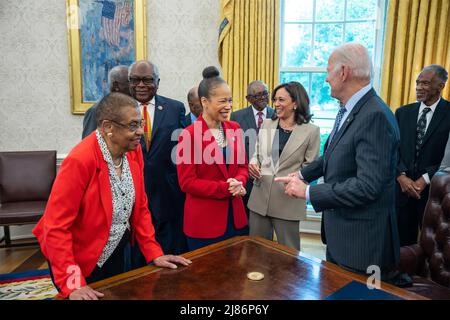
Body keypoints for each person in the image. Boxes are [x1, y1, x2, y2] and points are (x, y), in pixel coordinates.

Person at [33, 93, 191, 300]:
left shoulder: (133, 152)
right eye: (133, 125)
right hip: (77, 258)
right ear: (108, 126)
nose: (140, 132)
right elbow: (55, 227)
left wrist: (154, 253)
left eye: (141, 123)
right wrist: (72, 284)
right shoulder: (80, 161)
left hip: (116, 250)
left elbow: (140, 207)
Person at [275, 43, 401, 279]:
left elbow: (367, 187)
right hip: (342, 234)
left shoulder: (375, 115)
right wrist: (302, 175)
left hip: (362, 244)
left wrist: (310, 193)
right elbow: (334, 154)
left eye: (327, 71)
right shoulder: (351, 109)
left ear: (343, 72)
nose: (325, 79)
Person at [176, 66, 249, 251]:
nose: (229, 106)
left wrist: (239, 182)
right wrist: (225, 188)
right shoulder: (189, 134)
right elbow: (187, 182)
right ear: (204, 101)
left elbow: (242, 166)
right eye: (223, 101)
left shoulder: (235, 128)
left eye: (230, 100)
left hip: (235, 220)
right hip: (204, 225)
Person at [247, 82, 320, 250]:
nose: (275, 104)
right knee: (256, 253)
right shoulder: (267, 124)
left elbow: (311, 167)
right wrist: (253, 164)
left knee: (289, 258)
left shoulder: (311, 131)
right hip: (260, 199)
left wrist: (297, 181)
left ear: (295, 103)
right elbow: (257, 154)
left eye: (281, 100)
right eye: (275, 99)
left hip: (288, 201)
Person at [128, 60, 188, 255]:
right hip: (132, 191)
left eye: (147, 80)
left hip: (168, 192)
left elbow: (182, 150)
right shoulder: (120, 109)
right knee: (137, 250)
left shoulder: (175, 108)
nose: (141, 85)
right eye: (135, 80)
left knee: (170, 248)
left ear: (158, 81)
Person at [395, 65, 450, 246]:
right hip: (401, 191)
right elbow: (393, 149)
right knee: (401, 246)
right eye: (418, 83)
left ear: (441, 86)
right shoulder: (402, 113)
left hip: (433, 193)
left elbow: (447, 156)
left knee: (432, 246)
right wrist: (401, 176)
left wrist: (424, 179)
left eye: (425, 83)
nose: (419, 87)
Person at [230, 81, 275, 216]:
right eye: (257, 95)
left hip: (269, 177)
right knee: (246, 217)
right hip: (246, 177)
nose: (262, 98)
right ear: (248, 99)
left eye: (265, 94)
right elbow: (234, 148)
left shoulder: (277, 115)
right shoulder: (236, 116)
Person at [82, 65, 130, 139]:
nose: (134, 86)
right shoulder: (96, 110)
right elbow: (87, 142)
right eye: (129, 82)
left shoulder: (131, 107)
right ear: (116, 85)